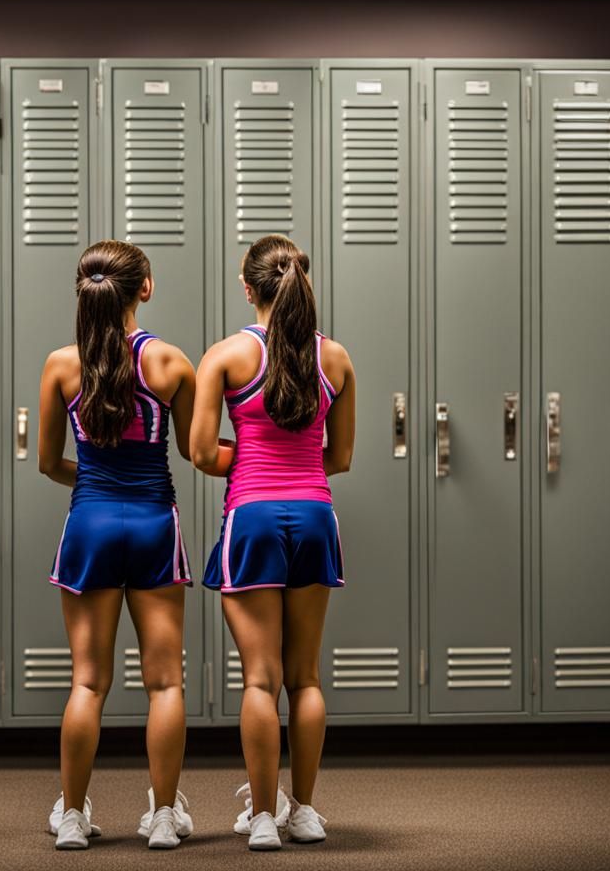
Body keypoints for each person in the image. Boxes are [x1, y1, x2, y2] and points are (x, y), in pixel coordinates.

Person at [190, 234, 356, 851]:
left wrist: (251, 461)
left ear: (248, 288)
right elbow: (339, 456)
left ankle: (263, 817)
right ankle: (305, 811)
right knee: (305, 679)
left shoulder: (226, 356)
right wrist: (294, 464)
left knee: (260, 680)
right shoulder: (334, 358)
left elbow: (201, 452)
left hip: (252, 516)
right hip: (315, 516)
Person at [38, 240, 197, 851]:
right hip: (155, 523)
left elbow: (50, 462)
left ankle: (72, 817)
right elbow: (193, 450)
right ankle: (164, 817)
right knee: (165, 683)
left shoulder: (61, 366)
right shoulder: (172, 364)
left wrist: (98, 482)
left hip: (91, 524)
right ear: (144, 288)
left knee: (87, 683)